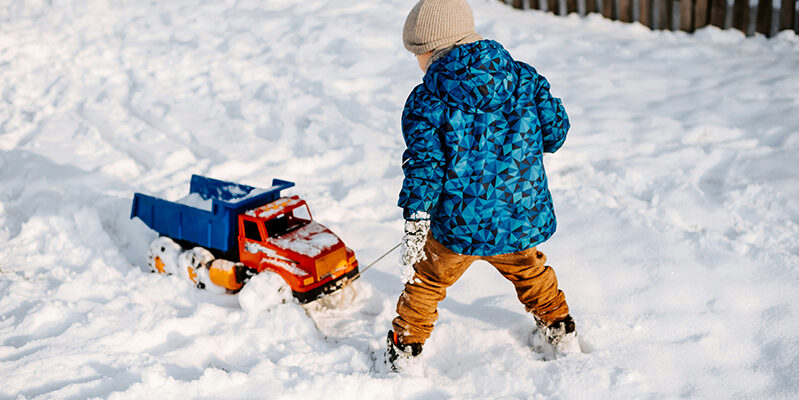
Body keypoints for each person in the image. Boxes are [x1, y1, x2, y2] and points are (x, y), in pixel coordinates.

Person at [385, 0, 579, 372]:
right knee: (531, 273)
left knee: (425, 281)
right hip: (517, 216)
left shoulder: (426, 101)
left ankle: (406, 350)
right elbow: (555, 134)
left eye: (418, 54)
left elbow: (425, 167)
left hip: (456, 227)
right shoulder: (524, 79)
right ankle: (559, 327)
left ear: (433, 49)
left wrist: (416, 218)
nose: (419, 63)